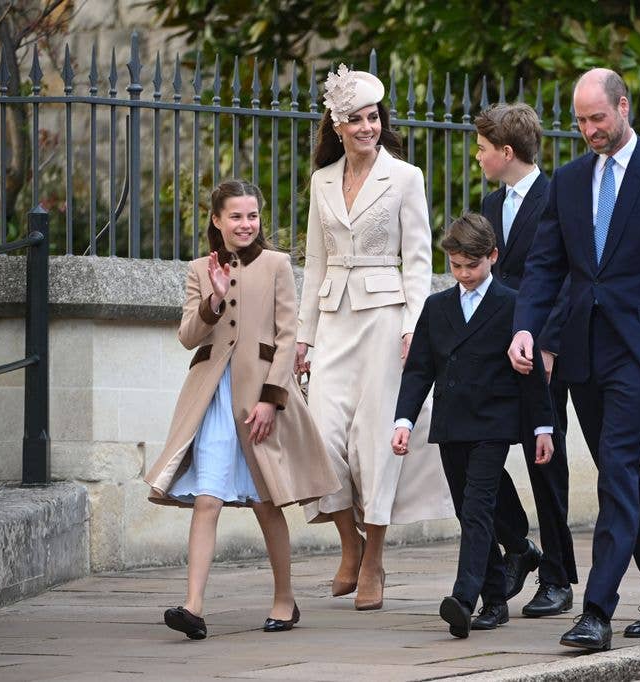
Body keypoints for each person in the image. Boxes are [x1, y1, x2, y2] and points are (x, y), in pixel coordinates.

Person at [509, 68, 640, 651]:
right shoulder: (570, 181)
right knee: (615, 467)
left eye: (597, 117)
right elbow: (545, 265)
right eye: (580, 121)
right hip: (581, 346)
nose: (589, 130)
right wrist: (527, 328)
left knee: (618, 466)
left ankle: (598, 610)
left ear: (623, 107)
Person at [145, 179, 341, 640]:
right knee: (208, 500)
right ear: (216, 220)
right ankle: (193, 607)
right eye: (235, 216)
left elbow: (288, 335)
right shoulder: (198, 269)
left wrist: (272, 400)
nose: (245, 224)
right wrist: (213, 298)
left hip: (258, 401)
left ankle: (284, 599)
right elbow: (188, 336)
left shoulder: (276, 265)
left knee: (265, 502)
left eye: (252, 215)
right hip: (213, 400)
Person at [295, 65, 455, 611]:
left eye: (373, 117)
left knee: (375, 443)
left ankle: (375, 562)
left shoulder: (405, 177)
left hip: (387, 321)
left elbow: (419, 261)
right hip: (334, 319)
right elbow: (315, 262)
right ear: (336, 125)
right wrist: (303, 337)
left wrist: (415, 327)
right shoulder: (320, 181)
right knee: (321, 436)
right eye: (355, 119)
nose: (367, 127)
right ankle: (349, 541)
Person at [392, 213, 555, 639]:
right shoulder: (436, 307)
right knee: (471, 508)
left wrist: (543, 427)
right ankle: (499, 595)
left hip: (495, 422)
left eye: (472, 265)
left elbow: (532, 370)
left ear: (493, 257)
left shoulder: (513, 304)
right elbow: (419, 370)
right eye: (456, 265)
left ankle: (466, 598)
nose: (464, 275)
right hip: (450, 423)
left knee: (477, 507)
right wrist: (404, 420)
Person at [475, 103, 578, 615]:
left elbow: (566, 277)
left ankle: (558, 577)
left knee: (545, 464)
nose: (478, 157)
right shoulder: (491, 204)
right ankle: (519, 546)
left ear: (507, 152)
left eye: (483, 149)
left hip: (542, 351)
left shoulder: (558, 195)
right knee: (478, 453)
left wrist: (549, 345)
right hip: (497, 348)